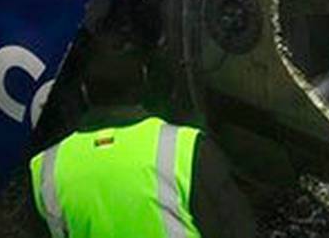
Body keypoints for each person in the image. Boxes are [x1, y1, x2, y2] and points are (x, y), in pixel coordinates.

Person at [28, 39, 256, 238]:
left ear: (84, 91)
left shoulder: (45, 169)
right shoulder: (187, 150)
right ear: (144, 82)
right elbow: (236, 229)